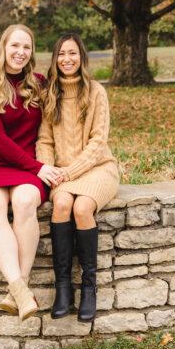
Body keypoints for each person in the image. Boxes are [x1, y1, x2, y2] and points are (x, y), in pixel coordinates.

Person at [0, 24, 66, 320]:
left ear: (32, 52)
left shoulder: (39, 84)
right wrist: (38, 167)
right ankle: (23, 291)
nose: (21, 52)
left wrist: (45, 165)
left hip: (27, 167)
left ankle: (17, 291)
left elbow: (57, 120)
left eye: (27, 47)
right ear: (4, 49)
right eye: (15, 46)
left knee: (23, 203)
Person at [36, 32, 119, 322]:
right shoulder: (49, 94)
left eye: (72, 53)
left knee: (82, 207)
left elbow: (98, 143)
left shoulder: (96, 92)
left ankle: (89, 288)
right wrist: (49, 170)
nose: (66, 59)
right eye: (61, 54)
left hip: (98, 169)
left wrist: (70, 172)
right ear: (55, 59)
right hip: (61, 174)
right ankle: (62, 288)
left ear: (81, 57)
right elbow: (44, 140)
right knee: (61, 206)